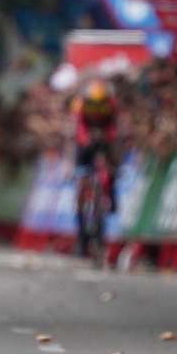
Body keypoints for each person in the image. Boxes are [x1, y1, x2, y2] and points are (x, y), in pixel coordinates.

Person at [72, 78, 119, 252]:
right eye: (93, 104)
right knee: (81, 183)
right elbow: (79, 127)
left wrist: (108, 140)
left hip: (104, 136)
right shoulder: (80, 104)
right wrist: (86, 141)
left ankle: (112, 195)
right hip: (84, 142)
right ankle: (82, 231)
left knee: (112, 162)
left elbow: (114, 127)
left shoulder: (112, 104)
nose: (97, 108)